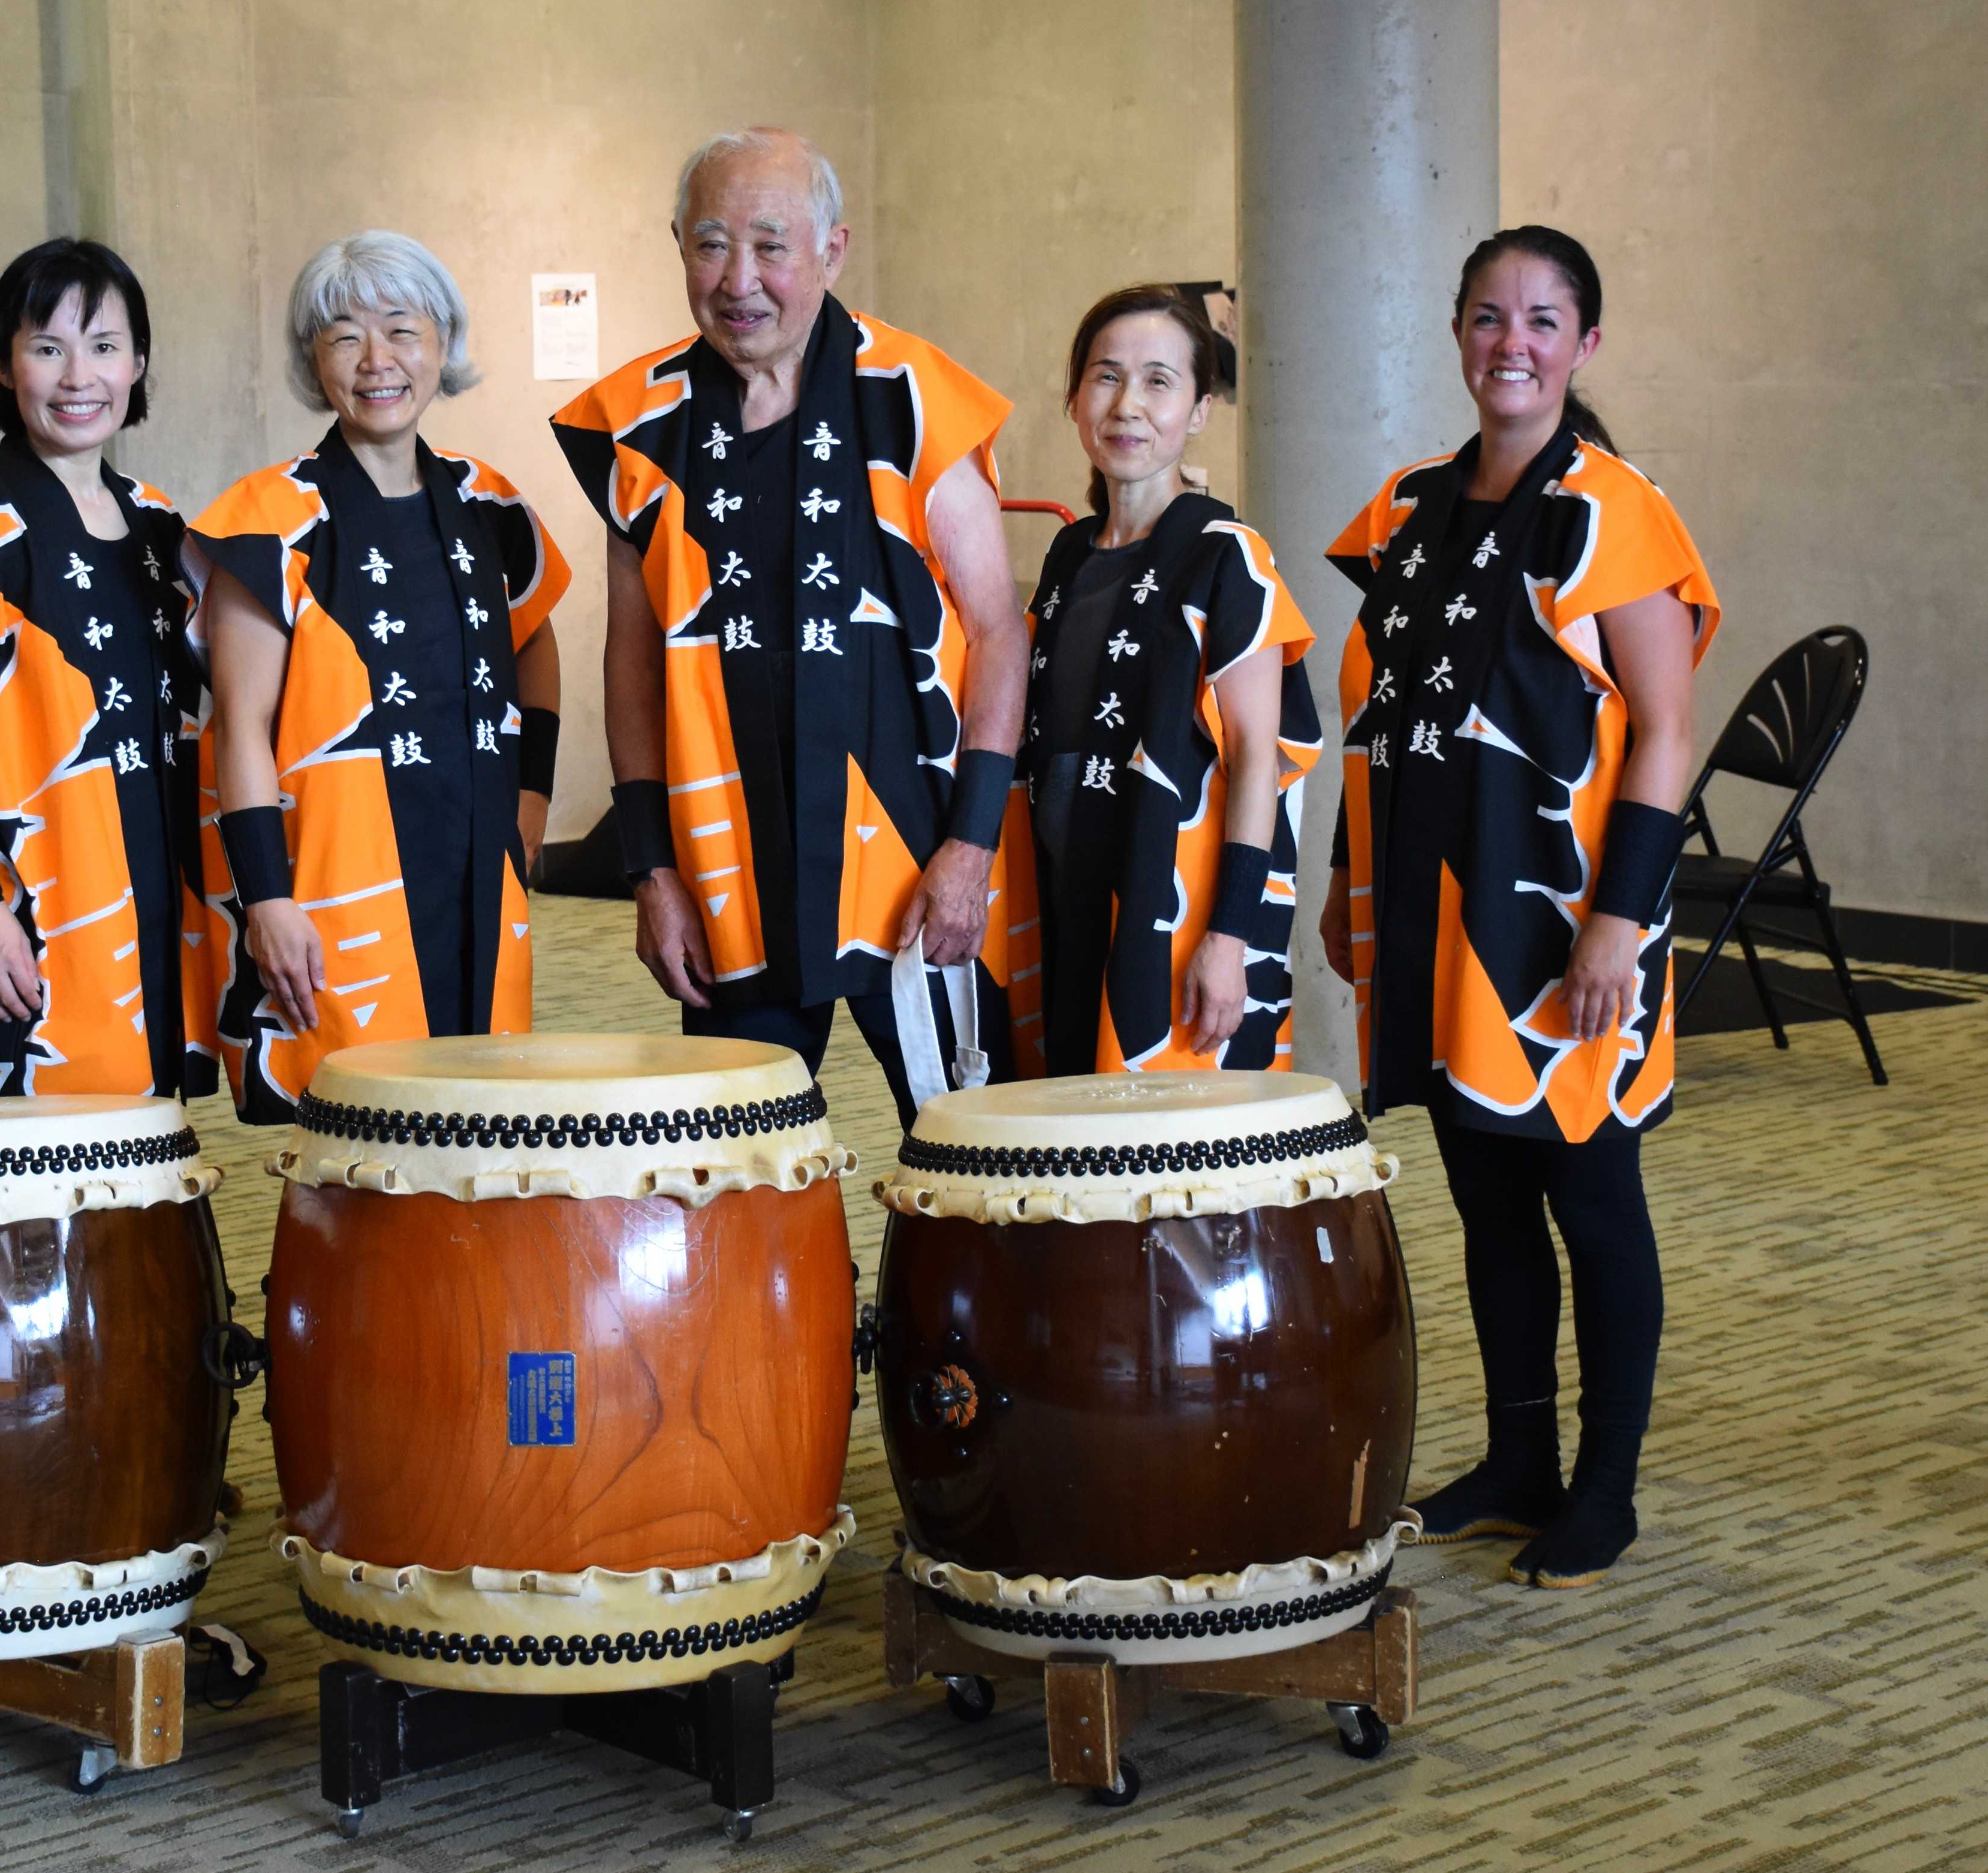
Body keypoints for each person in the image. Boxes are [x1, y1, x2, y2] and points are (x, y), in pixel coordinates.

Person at [1318, 225, 1718, 1589]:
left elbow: (1664, 728)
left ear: (1584, 345)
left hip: (1566, 914)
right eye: (1489, 317)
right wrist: (1339, 882)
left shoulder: (1615, 509)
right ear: (1456, 332)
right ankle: (1517, 1460)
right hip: (1434, 909)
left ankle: (1603, 1486)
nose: (1513, 344)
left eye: (1543, 321)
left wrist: (1622, 914)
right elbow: (1374, 711)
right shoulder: (1405, 506)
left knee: (1591, 1196)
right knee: (1485, 1197)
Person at [553, 128, 1025, 1124]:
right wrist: (650, 870)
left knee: (971, 1136)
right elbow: (631, 665)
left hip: (908, 850)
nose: (739, 279)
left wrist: (972, 848)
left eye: (771, 245)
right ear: (677, 246)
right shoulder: (642, 428)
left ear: (832, 250)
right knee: (736, 1158)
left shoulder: (911, 396)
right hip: (730, 864)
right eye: (710, 244)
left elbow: (996, 630)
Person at [192, 231, 568, 1121]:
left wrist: (533, 806)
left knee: (482, 1119)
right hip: (338, 880)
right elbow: (238, 725)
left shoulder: (489, 504)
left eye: (402, 329)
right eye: (343, 337)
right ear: (311, 359)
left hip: (477, 862)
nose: (377, 361)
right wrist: (267, 899)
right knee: (350, 1129)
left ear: (442, 342)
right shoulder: (270, 518)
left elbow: (535, 647)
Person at [0, 239, 212, 1099]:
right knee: (30, 1184)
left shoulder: (160, 527)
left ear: (138, 363)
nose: (77, 376)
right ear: (3, 365)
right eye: (46, 347)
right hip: (24, 904)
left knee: (143, 1159)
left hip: (149, 890)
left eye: (103, 346)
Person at [1010, 285, 1323, 1074]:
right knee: (1077, 1158)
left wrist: (1229, 936)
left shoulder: (1226, 555)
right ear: (1074, 398)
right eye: (1105, 376)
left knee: (1178, 1166)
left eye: (1158, 380)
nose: (1127, 404)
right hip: (1067, 893)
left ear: (1197, 410)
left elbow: (1259, 756)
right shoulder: (1068, 554)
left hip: (1174, 912)